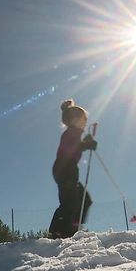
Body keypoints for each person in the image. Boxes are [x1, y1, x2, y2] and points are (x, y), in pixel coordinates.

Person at [49, 99, 97, 239]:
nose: (85, 123)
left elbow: (77, 145)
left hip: (69, 169)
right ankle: (57, 232)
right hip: (64, 168)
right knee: (69, 201)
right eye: (83, 120)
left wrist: (85, 143)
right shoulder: (70, 133)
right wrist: (85, 144)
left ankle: (72, 227)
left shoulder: (75, 134)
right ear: (73, 120)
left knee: (84, 200)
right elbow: (69, 149)